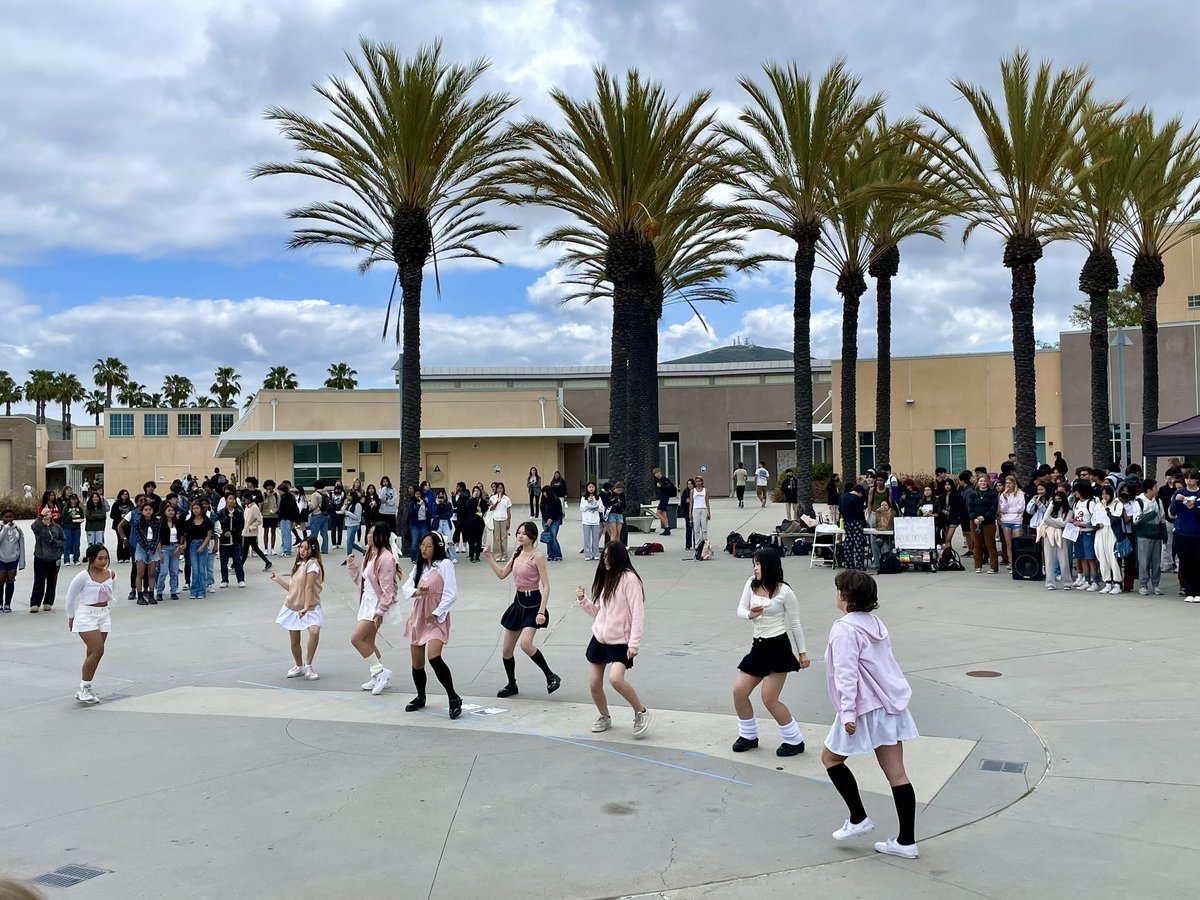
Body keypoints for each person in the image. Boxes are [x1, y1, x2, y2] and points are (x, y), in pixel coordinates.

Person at [821, 570, 920, 859]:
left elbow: (846, 674)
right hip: (890, 706)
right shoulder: (875, 624)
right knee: (897, 774)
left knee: (830, 758)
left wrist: (848, 714)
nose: (836, 593)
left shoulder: (843, 629)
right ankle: (906, 841)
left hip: (864, 707)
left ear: (846, 596)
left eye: (838, 589)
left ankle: (858, 818)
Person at [731, 548, 811, 756]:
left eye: (758, 564)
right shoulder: (751, 583)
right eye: (754, 564)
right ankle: (748, 735)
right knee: (739, 691)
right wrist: (750, 614)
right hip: (758, 646)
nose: (755, 568)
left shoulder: (785, 592)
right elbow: (739, 609)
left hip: (778, 648)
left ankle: (794, 740)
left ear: (769, 566)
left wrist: (802, 653)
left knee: (769, 698)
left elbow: (795, 624)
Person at [575, 541, 651, 738]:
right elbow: (600, 613)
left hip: (621, 641)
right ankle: (604, 716)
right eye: (603, 556)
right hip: (600, 639)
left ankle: (641, 712)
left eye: (609, 556)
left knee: (616, 679)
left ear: (618, 558)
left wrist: (634, 643)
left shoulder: (630, 579)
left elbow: (637, 614)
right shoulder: (606, 577)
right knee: (594, 683)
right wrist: (584, 601)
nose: (605, 560)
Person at [400, 532, 462, 718]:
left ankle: (453, 697)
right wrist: (417, 591)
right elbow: (406, 588)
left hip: (436, 616)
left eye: (428, 546)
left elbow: (451, 593)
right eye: (422, 545)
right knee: (417, 663)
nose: (424, 549)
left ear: (437, 547)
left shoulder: (444, 564)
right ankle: (421, 697)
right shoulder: (419, 567)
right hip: (419, 616)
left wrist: (437, 613)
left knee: (434, 657)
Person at [348, 522, 400, 695]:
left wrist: (380, 611)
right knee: (368, 641)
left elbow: (388, 589)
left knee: (356, 639)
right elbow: (362, 581)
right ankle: (378, 675)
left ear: (382, 536)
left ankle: (380, 672)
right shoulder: (370, 553)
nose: (369, 536)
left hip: (375, 605)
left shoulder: (386, 558)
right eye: (368, 533)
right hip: (367, 602)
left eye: (372, 533)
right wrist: (352, 567)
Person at [64, 543, 117, 704]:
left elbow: (112, 593)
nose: (104, 562)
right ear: (91, 559)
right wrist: (71, 616)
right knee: (98, 650)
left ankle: (85, 685)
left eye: (106, 558)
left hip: (103, 615)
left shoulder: (111, 575)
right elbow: (70, 597)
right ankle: (84, 688)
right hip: (86, 615)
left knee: (92, 653)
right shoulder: (83, 576)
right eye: (100, 558)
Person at [270, 537, 324, 680]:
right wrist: (278, 580)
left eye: (306, 548)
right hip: (293, 607)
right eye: (301, 547)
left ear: (313, 549)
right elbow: (293, 590)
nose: (302, 551)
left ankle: (309, 665)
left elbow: (308, 587)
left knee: (314, 631)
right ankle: (299, 665)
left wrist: (306, 607)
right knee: (294, 640)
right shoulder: (299, 565)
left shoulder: (313, 564)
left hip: (310, 606)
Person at [1133, 479, 1165, 596]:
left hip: (1156, 534)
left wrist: (1164, 532)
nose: (1157, 489)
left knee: (1156, 561)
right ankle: (1143, 584)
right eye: (1155, 487)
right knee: (1144, 560)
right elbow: (1136, 520)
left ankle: (1156, 584)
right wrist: (1150, 515)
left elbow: (1162, 517)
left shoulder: (1158, 501)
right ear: (1149, 489)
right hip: (1144, 535)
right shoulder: (1139, 502)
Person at [29, 507, 65, 612]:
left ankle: (48, 601)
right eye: (45, 512)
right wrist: (40, 516)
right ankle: (35, 603)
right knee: (39, 580)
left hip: (54, 557)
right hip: (41, 557)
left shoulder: (57, 527)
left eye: (48, 512)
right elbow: (33, 526)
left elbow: (63, 540)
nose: (47, 513)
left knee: (51, 581)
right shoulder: (39, 527)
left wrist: (56, 542)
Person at [1038, 489, 1074, 590]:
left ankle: (1067, 582)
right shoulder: (1052, 508)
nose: (1057, 501)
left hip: (1062, 536)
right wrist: (1051, 505)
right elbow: (1045, 519)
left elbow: (1065, 524)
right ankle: (1050, 583)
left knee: (1064, 560)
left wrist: (1053, 521)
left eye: (1059, 499)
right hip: (1049, 535)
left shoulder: (1069, 511)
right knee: (1049, 560)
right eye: (1056, 499)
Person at [1070, 480, 1101, 592]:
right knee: (1081, 556)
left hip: (1088, 532)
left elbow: (1095, 521)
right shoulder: (1076, 504)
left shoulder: (1091, 503)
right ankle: (1086, 580)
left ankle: (1094, 581)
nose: (1075, 493)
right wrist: (1073, 521)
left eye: (1077, 491)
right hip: (1078, 533)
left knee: (1090, 557)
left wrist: (1083, 524)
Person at [1094, 483, 1123, 594]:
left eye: (1107, 494)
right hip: (1101, 532)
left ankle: (1117, 583)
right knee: (1102, 556)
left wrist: (1106, 508)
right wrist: (1097, 524)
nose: (1104, 497)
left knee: (1112, 557)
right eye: (1103, 494)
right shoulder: (1098, 505)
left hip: (1112, 532)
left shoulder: (1117, 504)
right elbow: (1093, 518)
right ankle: (1107, 582)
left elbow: (1115, 518)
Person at [967, 474, 999, 574]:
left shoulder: (992, 493)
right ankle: (978, 566)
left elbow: (993, 508)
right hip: (975, 522)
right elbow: (970, 508)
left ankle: (993, 567)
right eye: (981, 481)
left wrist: (984, 517)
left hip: (988, 522)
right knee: (977, 544)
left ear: (988, 482)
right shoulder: (973, 494)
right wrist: (974, 518)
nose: (983, 483)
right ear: (977, 482)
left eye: (984, 481)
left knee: (990, 544)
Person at [184, 499, 214, 599]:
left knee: (202, 570)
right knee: (195, 570)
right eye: (194, 508)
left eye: (197, 508)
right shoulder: (189, 522)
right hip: (192, 545)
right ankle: (194, 591)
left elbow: (209, 535)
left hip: (203, 545)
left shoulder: (207, 521)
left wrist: (203, 546)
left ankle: (202, 591)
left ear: (201, 509)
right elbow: (185, 536)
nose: (195, 510)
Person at [998, 475, 1026, 572]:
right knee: (1008, 544)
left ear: (1014, 483)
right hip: (1006, 521)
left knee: (1016, 544)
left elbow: (1020, 508)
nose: (1008, 485)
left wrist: (1009, 511)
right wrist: (1005, 499)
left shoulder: (1020, 494)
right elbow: (1002, 509)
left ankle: (1018, 562)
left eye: (1010, 483)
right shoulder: (1003, 495)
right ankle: (1011, 563)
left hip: (1016, 521)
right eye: (1006, 483)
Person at [0, 508, 26, 612]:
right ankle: (0, 604)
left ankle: (7, 604)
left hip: (13, 558)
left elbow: (21, 545)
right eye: (6, 517)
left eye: (11, 517)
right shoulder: (1, 527)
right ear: (2, 517)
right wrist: (5, 529)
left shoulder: (18, 529)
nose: (9, 519)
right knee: (1, 579)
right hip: (1, 558)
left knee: (10, 579)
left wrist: (22, 562)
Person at [217, 497, 246, 588]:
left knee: (237, 560)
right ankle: (224, 580)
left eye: (233, 499)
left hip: (235, 540)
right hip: (224, 541)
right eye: (230, 499)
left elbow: (241, 525)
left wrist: (232, 532)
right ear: (226, 501)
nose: (232, 501)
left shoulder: (239, 512)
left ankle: (241, 579)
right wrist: (223, 533)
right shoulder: (221, 513)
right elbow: (219, 525)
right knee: (223, 562)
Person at [155, 503, 182, 601]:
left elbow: (181, 537)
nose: (171, 512)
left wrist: (178, 548)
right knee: (163, 571)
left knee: (174, 571)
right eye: (169, 510)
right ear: (164, 512)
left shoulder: (177, 523)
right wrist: (160, 553)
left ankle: (173, 591)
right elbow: (158, 540)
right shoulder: (160, 524)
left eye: (172, 511)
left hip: (175, 547)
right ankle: (159, 591)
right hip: (164, 548)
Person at [839, 483, 869, 571]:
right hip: (855, 522)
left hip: (846, 522)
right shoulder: (856, 499)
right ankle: (859, 565)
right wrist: (863, 523)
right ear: (859, 492)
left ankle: (849, 565)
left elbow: (840, 509)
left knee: (848, 542)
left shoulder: (843, 497)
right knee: (858, 544)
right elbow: (860, 513)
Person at [242, 494, 271, 571]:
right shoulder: (247, 508)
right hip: (246, 532)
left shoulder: (255, 508)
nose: (243, 501)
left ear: (249, 499)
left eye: (244, 499)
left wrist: (251, 527)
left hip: (251, 533)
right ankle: (267, 562)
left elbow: (258, 520)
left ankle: (239, 566)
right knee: (254, 549)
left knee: (245, 551)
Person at [580, 482, 604, 561]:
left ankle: (595, 554)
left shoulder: (598, 498)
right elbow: (582, 508)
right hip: (586, 521)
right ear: (587, 488)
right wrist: (588, 502)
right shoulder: (584, 498)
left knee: (595, 539)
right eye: (590, 487)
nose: (591, 488)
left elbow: (602, 509)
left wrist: (598, 508)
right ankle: (587, 554)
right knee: (587, 539)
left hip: (595, 521)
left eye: (593, 487)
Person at [489, 483, 513, 562]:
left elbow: (509, 512)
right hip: (496, 519)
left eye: (501, 488)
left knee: (504, 538)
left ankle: (504, 555)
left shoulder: (507, 499)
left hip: (504, 519)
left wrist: (509, 522)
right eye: (498, 488)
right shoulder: (493, 498)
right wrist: (497, 502)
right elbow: (491, 508)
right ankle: (497, 555)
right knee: (496, 538)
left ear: (503, 489)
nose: (499, 489)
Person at [540, 485, 564, 561]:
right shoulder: (543, 501)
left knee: (553, 537)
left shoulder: (556, 500)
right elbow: (543, 512)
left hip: (555, 520)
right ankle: (550, 554)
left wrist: (551, 519)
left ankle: (558, 554)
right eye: (543, 492)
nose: (544, 494)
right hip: (545, 520)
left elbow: (558, 511)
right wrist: (546, 519)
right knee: (548, 537)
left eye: (545, 492)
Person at [109, 489, 133, 563]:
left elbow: (133, 512)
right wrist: (120, 515)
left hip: (128, 525)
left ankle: (127, 557)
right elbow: (112, 515)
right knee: (120, 540)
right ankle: (120, 557)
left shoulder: (130, 503)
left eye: (126, 494)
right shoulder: (116, 504)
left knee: (127, 540)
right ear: (120, 495)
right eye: (123, 494)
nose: (125, 495)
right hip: (119, 525)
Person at [433, 489, 457, 563]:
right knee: (438, 540)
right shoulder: (435, 504)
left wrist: (443, 504)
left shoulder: (448, 504)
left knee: (449, 539)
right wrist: (438, 504)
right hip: (437, 523)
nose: (441, 497)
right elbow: (434, 513)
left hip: (446, 522)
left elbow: (449, 514)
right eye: (439, 495)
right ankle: (437, 557)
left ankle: (453, 557)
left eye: (442, 495)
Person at [59, 494, 84, 566]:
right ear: (70, 500)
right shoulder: (66, 508)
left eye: (75, 499)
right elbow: (63, 518)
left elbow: (82, 517)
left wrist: (79, 519)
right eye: (72, 499)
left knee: (76, 544)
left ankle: (76, 559)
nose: (74, 501)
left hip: (76, 528)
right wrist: (70, 517)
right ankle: (66, 560)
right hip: (68, 528)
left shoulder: (79, 508)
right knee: (67, 544)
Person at [308, 481, 331, 556]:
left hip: (317, 515)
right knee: (324, 533)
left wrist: (309, 503)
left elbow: (313, 506)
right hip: (325, 515)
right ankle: (325, 549)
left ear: (315, 487)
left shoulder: (315, 494)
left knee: (314, 533)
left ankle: (313, 549)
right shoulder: (326, 493)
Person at [870, 500, 895, 570]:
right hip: (881, 537)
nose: (883, 507)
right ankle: (877, 563)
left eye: (885, 505)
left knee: (885, 546)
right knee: (874, 544)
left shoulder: (892, 514)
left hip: (890, 538)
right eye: (882, 505)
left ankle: (885, 563)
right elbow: (872, 525)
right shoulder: (877, 514)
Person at [276, 482, 299, 557]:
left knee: (285, 534)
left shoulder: (284, 498)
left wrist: (276, 512)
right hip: (290, 518)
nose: (278, 492)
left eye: (279, 490)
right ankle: (287, 549)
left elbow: (282, 509)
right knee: (287, 534)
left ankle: (287, 551)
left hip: (285, 518)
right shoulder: (291, 497)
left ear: (282, 490)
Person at [343, 491, 366, 561]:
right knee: (350, 542)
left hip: (354, 525)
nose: (348, 497)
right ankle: (363, 551)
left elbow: (357, 517)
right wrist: (344, 505)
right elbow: (342, 510)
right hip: (348, 524)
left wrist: (348, 513)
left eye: (349, 496)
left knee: (349, 542)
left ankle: (348, 558)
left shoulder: (358, 505)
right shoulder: (350, 504)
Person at [652, 467, 675, 536]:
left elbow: (669, 487)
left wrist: (661, 486)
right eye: (655, 473)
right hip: (662, 497)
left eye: (657, 473)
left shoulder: (664, 479)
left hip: (665, 497)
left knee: (658, 513)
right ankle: (666, 529)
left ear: (660, 472)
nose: (656, 474)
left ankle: (667, 526)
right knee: (664, 513)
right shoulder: (656, 480)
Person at [261, 480, 280, 556]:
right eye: (267, 486)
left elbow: (278, 504)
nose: (269, 488)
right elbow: (263, 505)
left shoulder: (276, 495)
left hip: (274, 515)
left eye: (270, 486)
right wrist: (267, 496)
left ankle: (272, 548)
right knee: (266, 532)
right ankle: (265, 548)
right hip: (266, 515)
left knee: (273, 532)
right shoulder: (263, 495)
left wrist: (277, 511)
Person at [689, 477, 709, 549]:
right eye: (696, 481)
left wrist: (708, 512)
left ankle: (705, 543)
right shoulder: (692, 491)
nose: (698, 483)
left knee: (704, 528)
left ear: (702, 482)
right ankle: (697, 544)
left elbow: (707, 501)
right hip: (695, 509)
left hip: (703, 509)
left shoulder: (705, 490)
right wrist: (690, 513)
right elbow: (691, 502)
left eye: (699, 481)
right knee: (696, 529)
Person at [606, 480, 627, 545]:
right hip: (612, 514)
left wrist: (620, 504)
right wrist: (614, 501)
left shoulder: (622, 495)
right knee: (614, 532)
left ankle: (617, 548)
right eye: (618, 490)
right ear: (615, 488)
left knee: (618, 533)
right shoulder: (610, 493)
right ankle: (611, 547)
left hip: (619, 514)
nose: (620, 492)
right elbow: (606, 504)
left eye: (621, 490)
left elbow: (624, 505)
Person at [679, 478, 695, 551]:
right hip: (687, 513)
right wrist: (683, 512)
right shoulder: (685, 492)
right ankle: (688, 545)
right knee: (688, 529)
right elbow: (682, 503)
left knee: (696, 529)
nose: (689, 485)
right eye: (688, 484)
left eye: (691, 484)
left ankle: (696, 544)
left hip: (695, 512)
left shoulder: (696, 491)